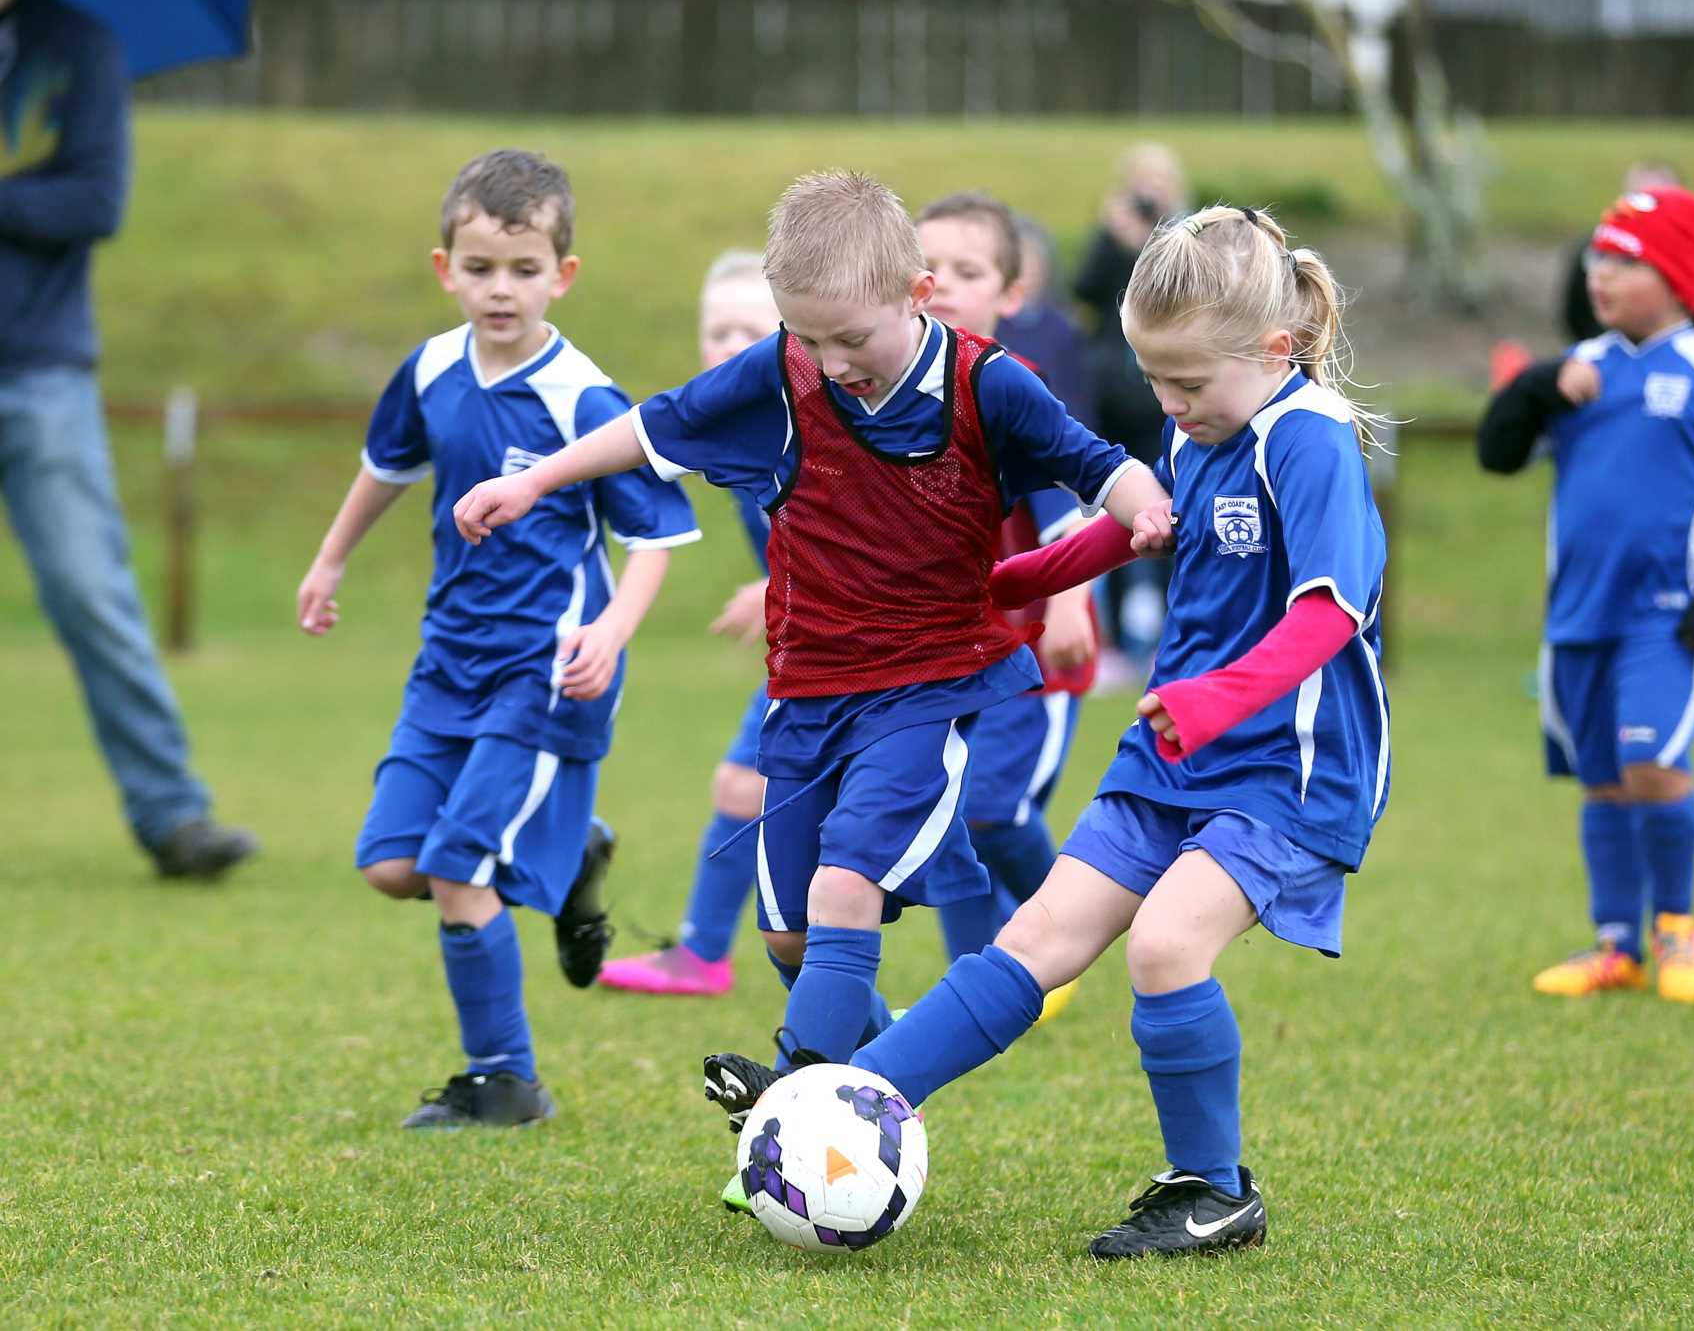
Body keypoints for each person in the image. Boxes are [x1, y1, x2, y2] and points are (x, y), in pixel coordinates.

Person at [708, 204, 1392, 1260]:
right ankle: (846, 1097)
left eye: (1187, 386)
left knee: (1164, 947)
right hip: (1173, 754)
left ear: (1273, 347)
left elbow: (1330, 610)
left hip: (1285, 767)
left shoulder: (1308, 441)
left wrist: (1214, 700)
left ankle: (1212, 1190)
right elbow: (1147, 524)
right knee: (1030, 940)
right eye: (1155, 383)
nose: (1167, 406)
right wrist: (1019, 577)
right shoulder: (1205, 423)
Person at [450, 170, 1171, 1123]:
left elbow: (1097, 464)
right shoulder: (786, 370)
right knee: (789, 935)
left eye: (851, 338)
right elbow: (654, 426)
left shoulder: (986, 382)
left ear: (915, 296)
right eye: (809, 337)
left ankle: (795, 1091)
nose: (831, 362)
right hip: (804, 697)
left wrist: (1143, 508)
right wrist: (538, 479)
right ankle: (863, 1091)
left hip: (924, 689)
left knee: (844, 888)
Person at [296, 150, 701, 1128]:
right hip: (447, 663)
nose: (500, 289)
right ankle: (570, 870)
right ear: (444, 269)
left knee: (455, 868)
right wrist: (330, 559)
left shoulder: (584, 400)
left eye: (523, 270)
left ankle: (502, 1079)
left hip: (544, 670)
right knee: (391, 864)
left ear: (562, 274)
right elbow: (384, 466)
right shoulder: (431, 369)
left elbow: (655, 535)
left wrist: (610, 628)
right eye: (480, 269)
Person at [1479, 185, 1694, 1006]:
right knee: (1604, 779)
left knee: (1653, 762)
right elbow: (1496, 451)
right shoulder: (1582, 370)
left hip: (1665, 618)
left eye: (1625, 260)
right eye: (1597, 258)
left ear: (1679, 276)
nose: (1601, 274)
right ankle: (1616, 943)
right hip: (1578, 614)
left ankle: (1676, 925)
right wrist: (1541, 383)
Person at [0, 0, 257, 879]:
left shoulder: (80, 48)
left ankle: (173, 814)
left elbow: (95, 199)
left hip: (41, 371)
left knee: (90, 592)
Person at [915, 192, 1094, 1028]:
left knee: (989, 806)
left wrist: (1067, 604)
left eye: (969, 271)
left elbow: (1074, 505)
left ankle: (1074, 927)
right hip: (949, 658)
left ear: (1011, 296)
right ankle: (974, 982)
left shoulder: (1011, 387)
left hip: (1032, 657)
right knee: (944, 815)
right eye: (929, 268)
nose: (943, 284)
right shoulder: (894, 391)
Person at [598, 252, 783, 996]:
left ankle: (1020, 944)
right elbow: (641, 453)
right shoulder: (722, 423)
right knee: (742, 786)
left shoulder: (804, 425)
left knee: (941, 818)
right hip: (808, 646)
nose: (731, 343)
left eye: (751, 328)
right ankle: (703, 952)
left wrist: (777, 586)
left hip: (869, 644)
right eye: (717, 329)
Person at [1074, 143, 1191, 679]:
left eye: (1157, 183)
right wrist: (1114, 237)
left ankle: (1177, 630)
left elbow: (1178, 297)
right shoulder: (1112, 238)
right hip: (1115, 397)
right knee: (1122, 512)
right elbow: (1087, 291)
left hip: (1168, 404)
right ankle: (1121, 638)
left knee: (1180, 512)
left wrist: (1149, 240)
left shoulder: (1191, 240)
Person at [1561, 162, 1694, 343]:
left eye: (1629, 263)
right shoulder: (1592, 246)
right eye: (1637, 197)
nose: (1603, 272)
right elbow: (1574, 312)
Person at [995, 215, 1097, 435]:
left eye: (1035, 265)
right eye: (1022, 264)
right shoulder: (992, 325)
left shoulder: (1062, 328)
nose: (1029, 273)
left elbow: (1075, 394)